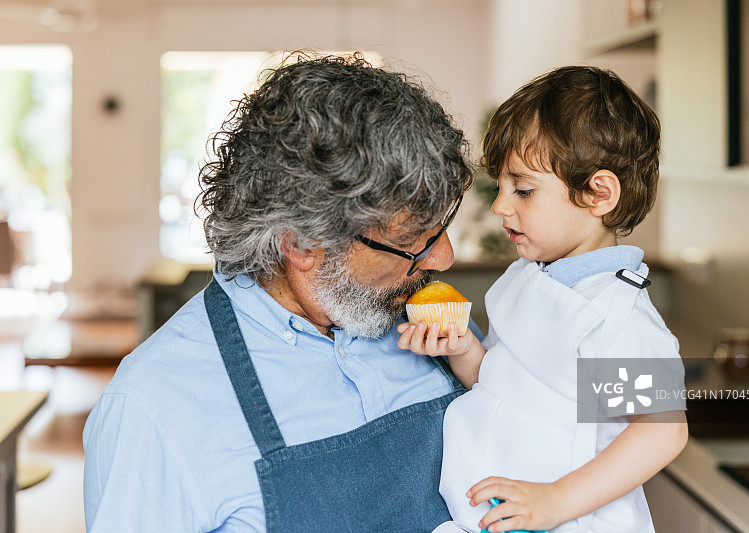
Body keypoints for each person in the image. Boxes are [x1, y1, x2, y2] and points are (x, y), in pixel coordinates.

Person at [82, 53, 474, 532]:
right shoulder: (152, 406)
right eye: (414, 241)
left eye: (441, 228)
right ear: (303, 245)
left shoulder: (441, 329)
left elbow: (554, 433)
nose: (443, 258)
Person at [398, 66, 688, 533]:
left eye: (524, 190)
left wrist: (557, 500)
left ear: (598, 194)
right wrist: (463, 350)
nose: (500, 206)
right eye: (500, 187)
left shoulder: (614, 313)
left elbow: (661, 429)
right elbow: (503, 387)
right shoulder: (526, 277)